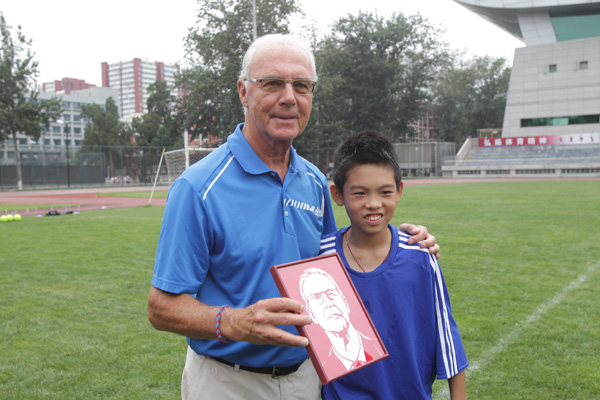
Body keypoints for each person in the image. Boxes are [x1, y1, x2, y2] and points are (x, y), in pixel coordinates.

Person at [147, 34, 440, 400]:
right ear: (243, 92)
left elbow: (342, 263)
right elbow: (161, 308)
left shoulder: (315, 182)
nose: (289, 97)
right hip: (226, 382)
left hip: (307, 376)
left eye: (301, 86)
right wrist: (235, 322)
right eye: (272, 83)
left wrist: (408, 242)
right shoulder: (198, 187)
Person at [319, 131, 468, 400]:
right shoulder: (321, 259)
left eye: (385, 192)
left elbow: (447, 339)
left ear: (399, 191)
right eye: (360, 193)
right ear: (338, 195)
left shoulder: (420, 256)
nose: (373, 204)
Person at [299, 268, 384, 373]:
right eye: (317, 298)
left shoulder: (378, 347)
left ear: (345, 301)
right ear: (311, 313)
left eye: (331, 293)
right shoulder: (325, 369)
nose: (328, 303)